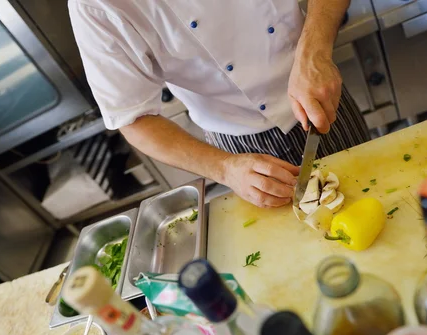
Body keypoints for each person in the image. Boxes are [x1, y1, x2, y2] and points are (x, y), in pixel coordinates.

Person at [68, 0, 369, 208]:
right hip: (240, 146)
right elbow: (133, 119)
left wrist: (314, 52)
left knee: (374, 193)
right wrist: (226, 170)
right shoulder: (94, 7)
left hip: (319, 91)